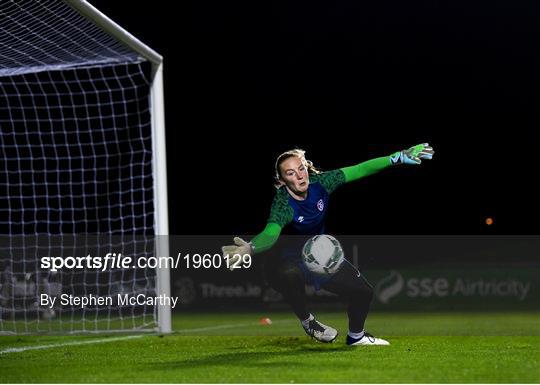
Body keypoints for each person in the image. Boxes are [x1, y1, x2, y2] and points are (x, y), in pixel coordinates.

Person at [222, 143, 434, 346]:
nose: (299, 175)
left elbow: (360, 169)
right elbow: (270, 233)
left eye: (301, 169)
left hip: (317, 256)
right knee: (289, 274)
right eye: (290, 173)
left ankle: (356, 337)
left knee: (364, 292)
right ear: (282, 180)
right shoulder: (283, 203)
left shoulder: (321, 183)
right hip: (284, 262)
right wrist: (250, 247)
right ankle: (308, 321)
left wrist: (396, 157)